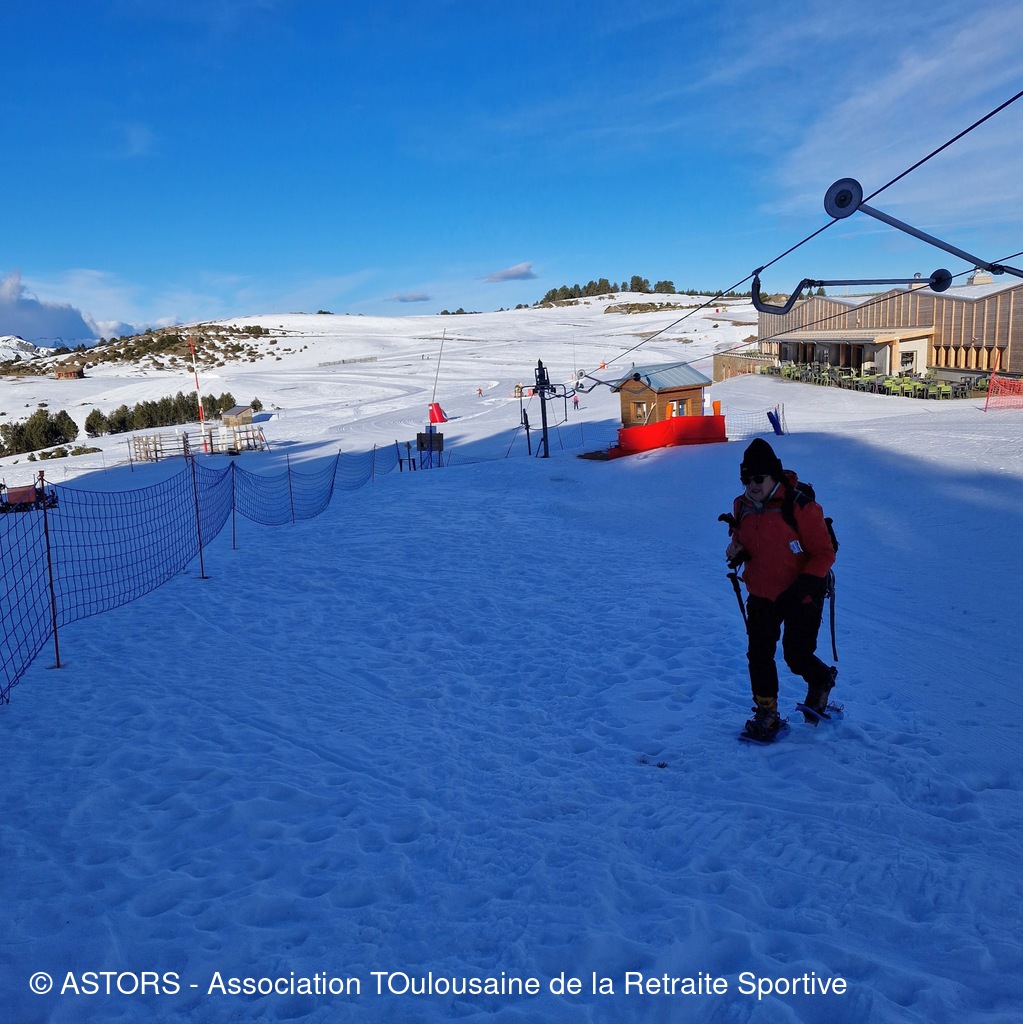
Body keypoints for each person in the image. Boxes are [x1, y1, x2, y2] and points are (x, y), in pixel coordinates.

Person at [724, 438, 837, 742]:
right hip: (761, 593)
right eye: (746, 479)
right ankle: (767, 714)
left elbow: (824, 553)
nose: (752, 485)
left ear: (773, 475)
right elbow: (741, 538)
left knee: (796, 655)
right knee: (759, 655)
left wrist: (804, 585)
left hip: (802, 594)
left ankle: (821, 679)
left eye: (759, 478)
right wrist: (736, 550)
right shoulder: (742, 505)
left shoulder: (800, 507)